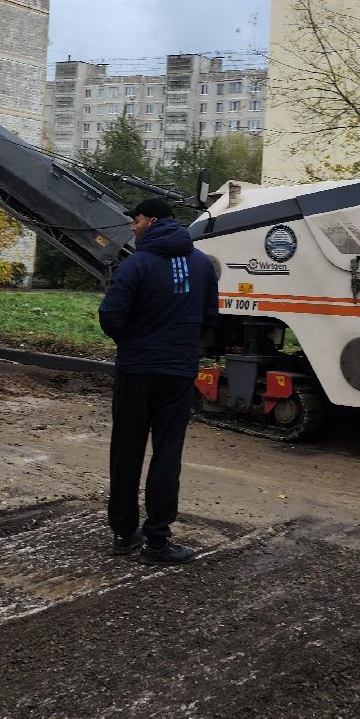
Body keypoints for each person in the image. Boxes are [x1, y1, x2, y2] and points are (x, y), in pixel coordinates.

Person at [98, 197, 218, 566]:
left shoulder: (136, 265)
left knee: (126, 451)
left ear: (150, 221)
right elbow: (210, 317)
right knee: (167, 454)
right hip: (178, 373)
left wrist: (133, 343)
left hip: (136, 372)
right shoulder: (202, 265)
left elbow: (110, 317)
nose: (132, 228)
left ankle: (123, 534)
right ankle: (158, 542)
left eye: (135, 221)